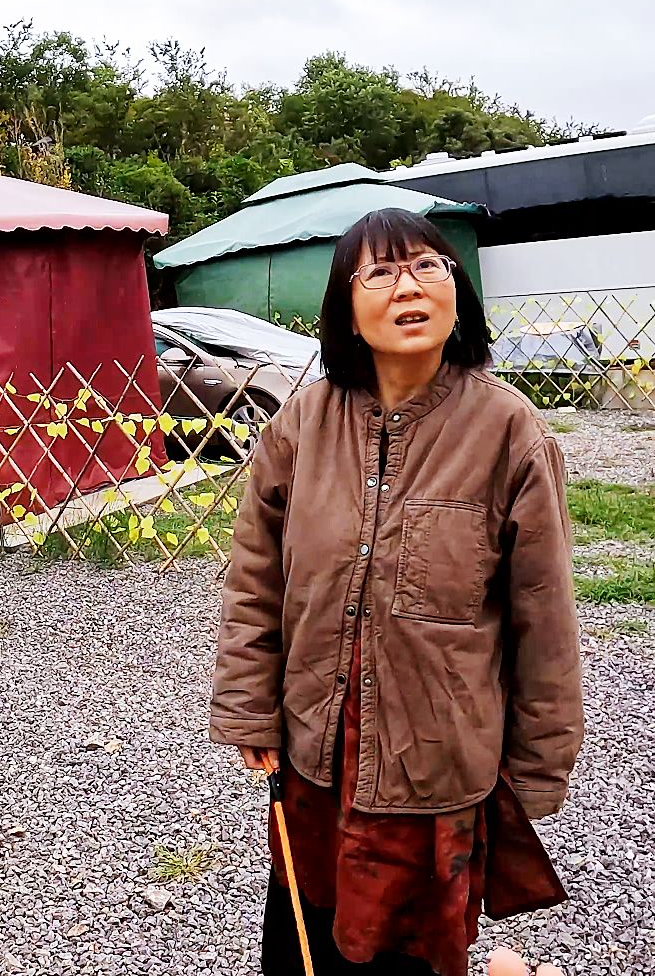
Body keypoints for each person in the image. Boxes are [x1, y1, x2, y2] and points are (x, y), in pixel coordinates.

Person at [209, 208, 584, 975]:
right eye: (379, 272)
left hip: (435, 764)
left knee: (412, 957)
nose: (406, 286)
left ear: (457, 294)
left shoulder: (511, 435)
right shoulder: (301, 426)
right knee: (307, 940)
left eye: (427, 267)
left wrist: (539, 767)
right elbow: (256, 576)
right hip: (317, 751)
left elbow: (544, 619)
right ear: (346, 307)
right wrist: (250, 702)